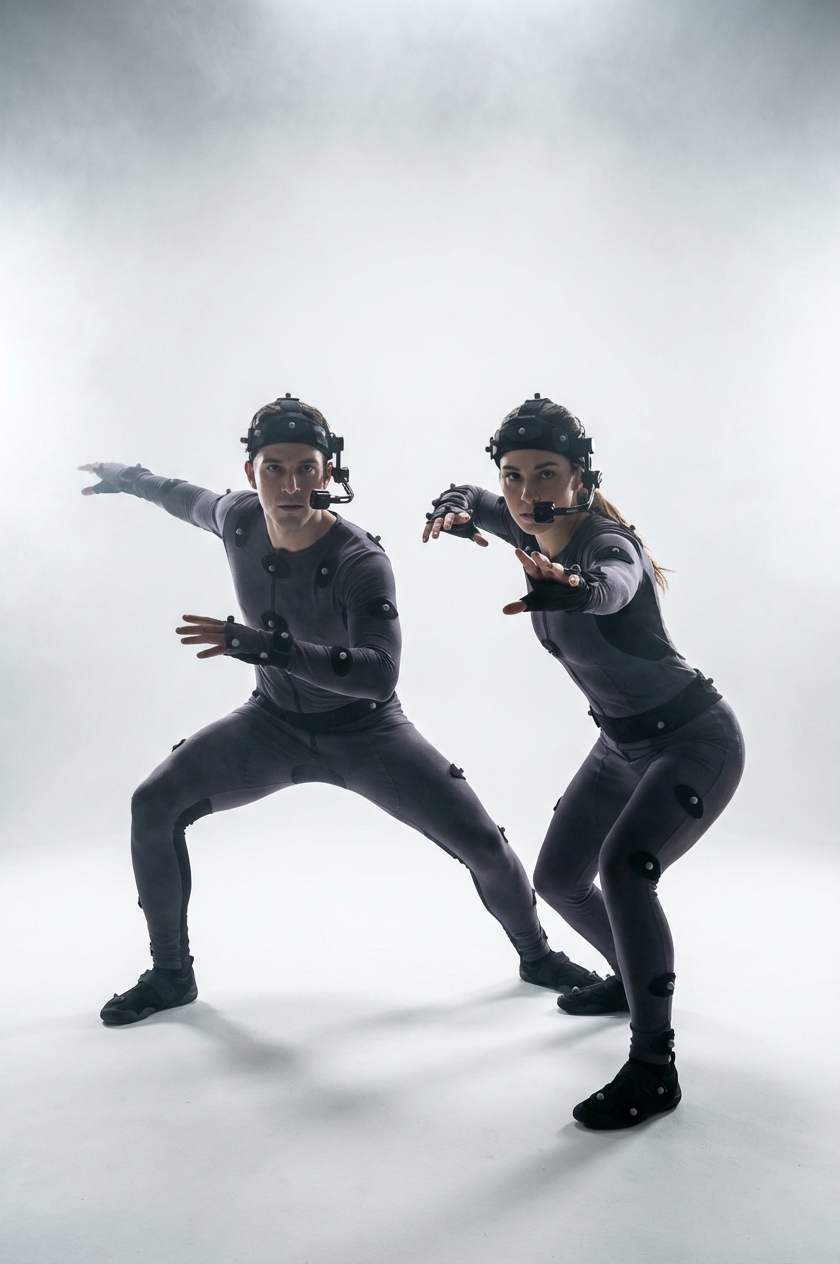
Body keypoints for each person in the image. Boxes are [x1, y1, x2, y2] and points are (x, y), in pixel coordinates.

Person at [79, 394, 600, 1027]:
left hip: (368, 734)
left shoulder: (360, 560)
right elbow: (180, 496)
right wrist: (125, 477)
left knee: (486, 847)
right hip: (271, 724)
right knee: (152, 803)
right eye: (273, 468)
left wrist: (265, 646)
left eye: (306, 468)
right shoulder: (237, 517)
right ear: (250, 473)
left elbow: (379, 675)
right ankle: (170, 975)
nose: (290, 485)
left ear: (329, 473)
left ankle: (537, 956)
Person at [422, 394, 745, 1129]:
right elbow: (469, 493)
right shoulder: (525, 521)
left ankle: (654, 1068)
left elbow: (615, 584)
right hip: (621, 743)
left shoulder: (608, 545)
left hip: (695, 740)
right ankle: (633, 980)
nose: (524, 492)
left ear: (581, 478)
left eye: (545, 474)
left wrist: (579, 591)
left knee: (625, 870)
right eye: (512, 475)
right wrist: (454, 505)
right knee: (558, 879)